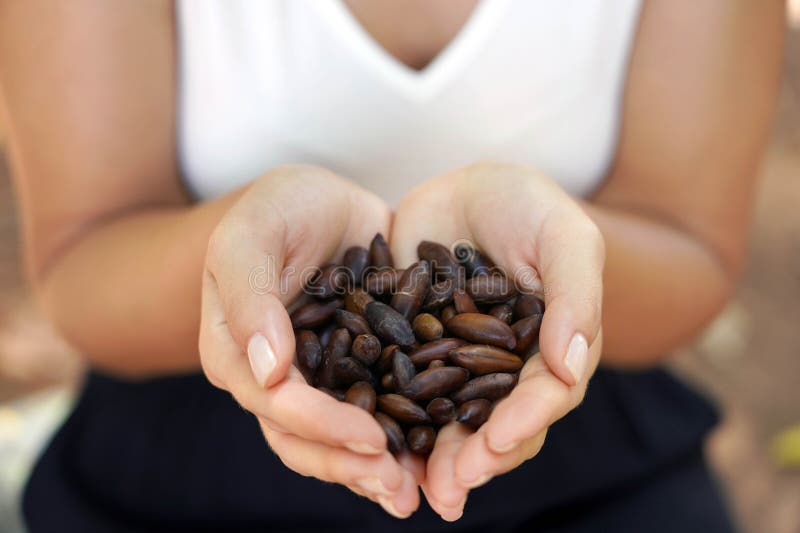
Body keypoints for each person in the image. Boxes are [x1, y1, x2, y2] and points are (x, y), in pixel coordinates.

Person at [0, 0, 785, 531]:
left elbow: (692, 249)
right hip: (179, 448)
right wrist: (237, 267)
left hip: (567, 425)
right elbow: (82, 256)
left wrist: (567, 260)